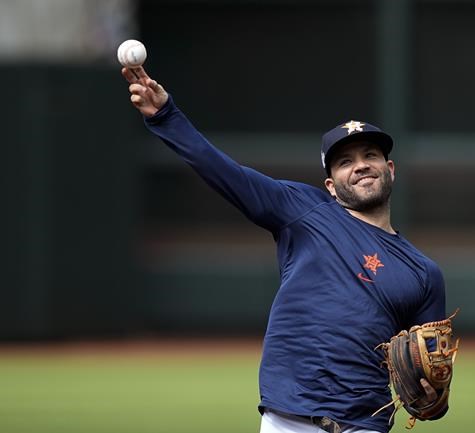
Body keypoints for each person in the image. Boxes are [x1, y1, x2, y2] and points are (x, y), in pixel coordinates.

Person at [122, 66, 447, 433]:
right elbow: (226, 173)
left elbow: (431, 384)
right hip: (288, 421)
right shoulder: (303, 210)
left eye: (369, 155)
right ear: (329, 184)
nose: (360, 166)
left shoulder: (423, 273)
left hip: (364, 425)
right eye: (345, 162)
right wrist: (166, 116)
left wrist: (433, 399)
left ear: (390, 169)